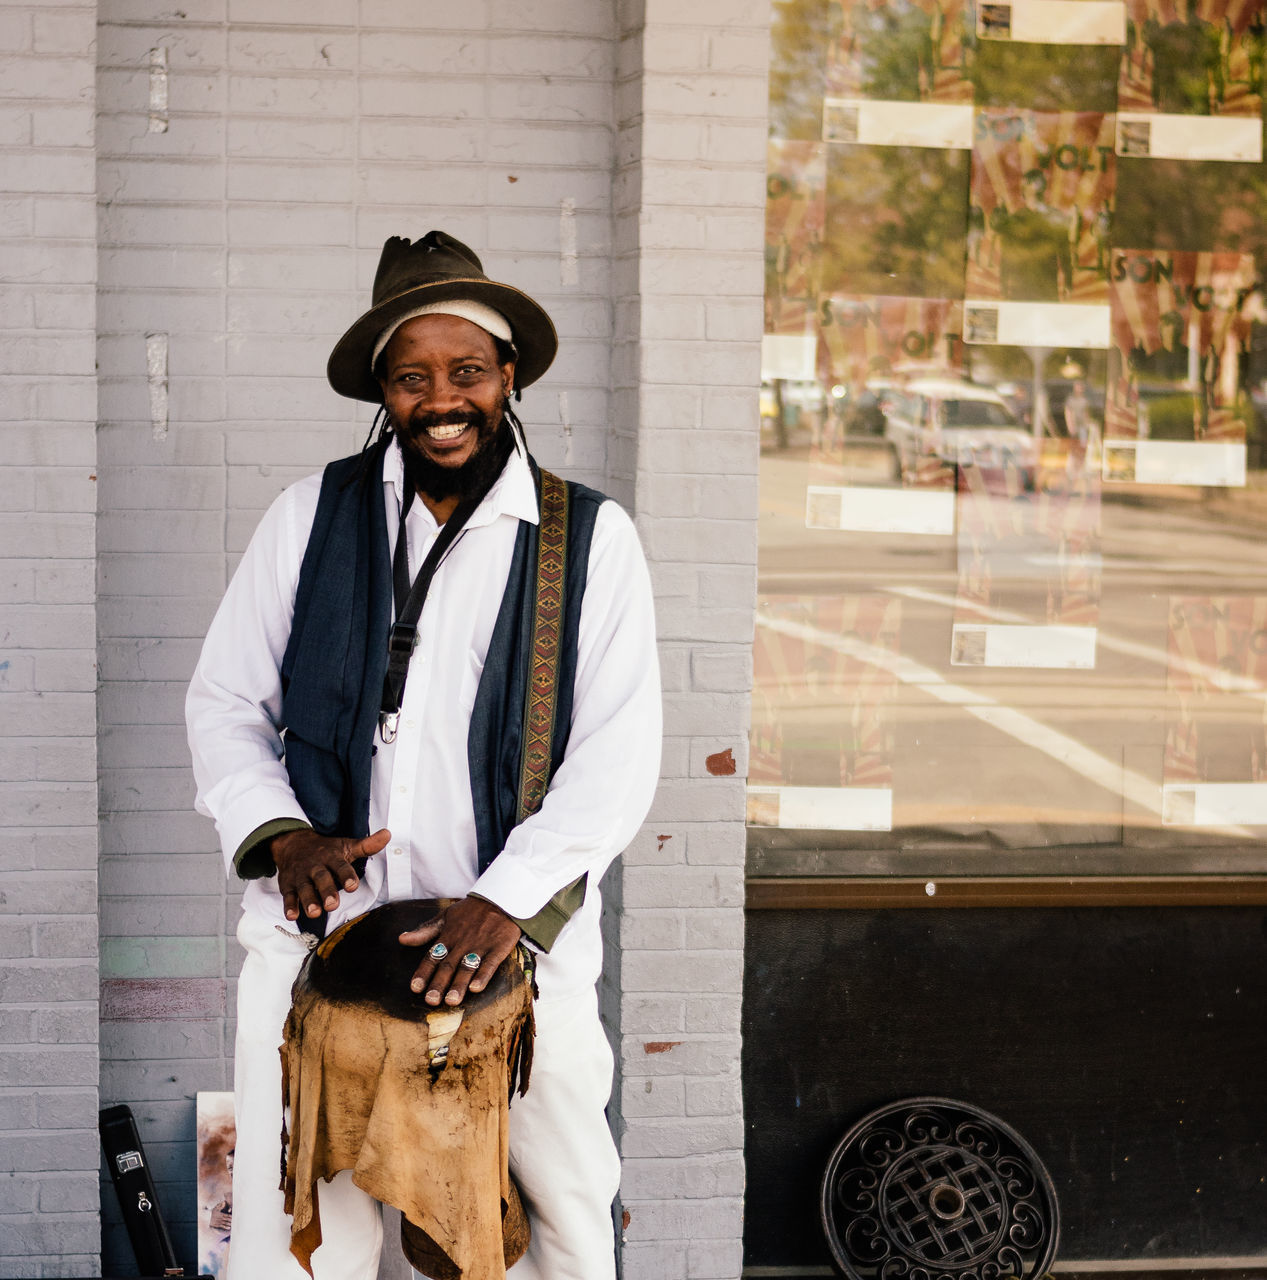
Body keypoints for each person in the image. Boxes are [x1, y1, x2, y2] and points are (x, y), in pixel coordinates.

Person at [186, 230, 662, 1280]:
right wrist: (284, 836)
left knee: (560, 1227)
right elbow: (222, 700)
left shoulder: (587, 538)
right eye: (412, 377)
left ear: (508, 378)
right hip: (321, 947)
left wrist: (508, 900)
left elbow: (618, 754)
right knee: (296, 1238)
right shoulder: (310, 516)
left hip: (518, 958)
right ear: (383, 392)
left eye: (466, 371)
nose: (441, 397)